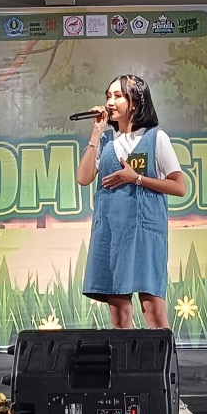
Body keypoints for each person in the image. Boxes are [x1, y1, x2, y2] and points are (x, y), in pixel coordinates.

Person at [76, 74, 186, 330]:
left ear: (134, 102)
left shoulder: (156, 138)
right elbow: (83, 178)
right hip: (111, 233)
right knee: (119, 316)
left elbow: (179, 186)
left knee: (154, 312)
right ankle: (124, 358)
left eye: (118, 96)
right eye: (108, 96)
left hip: (144, 232)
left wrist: (136, 178)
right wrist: (96, 133)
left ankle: (163, 358)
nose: (110, 102)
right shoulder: (105, 141)